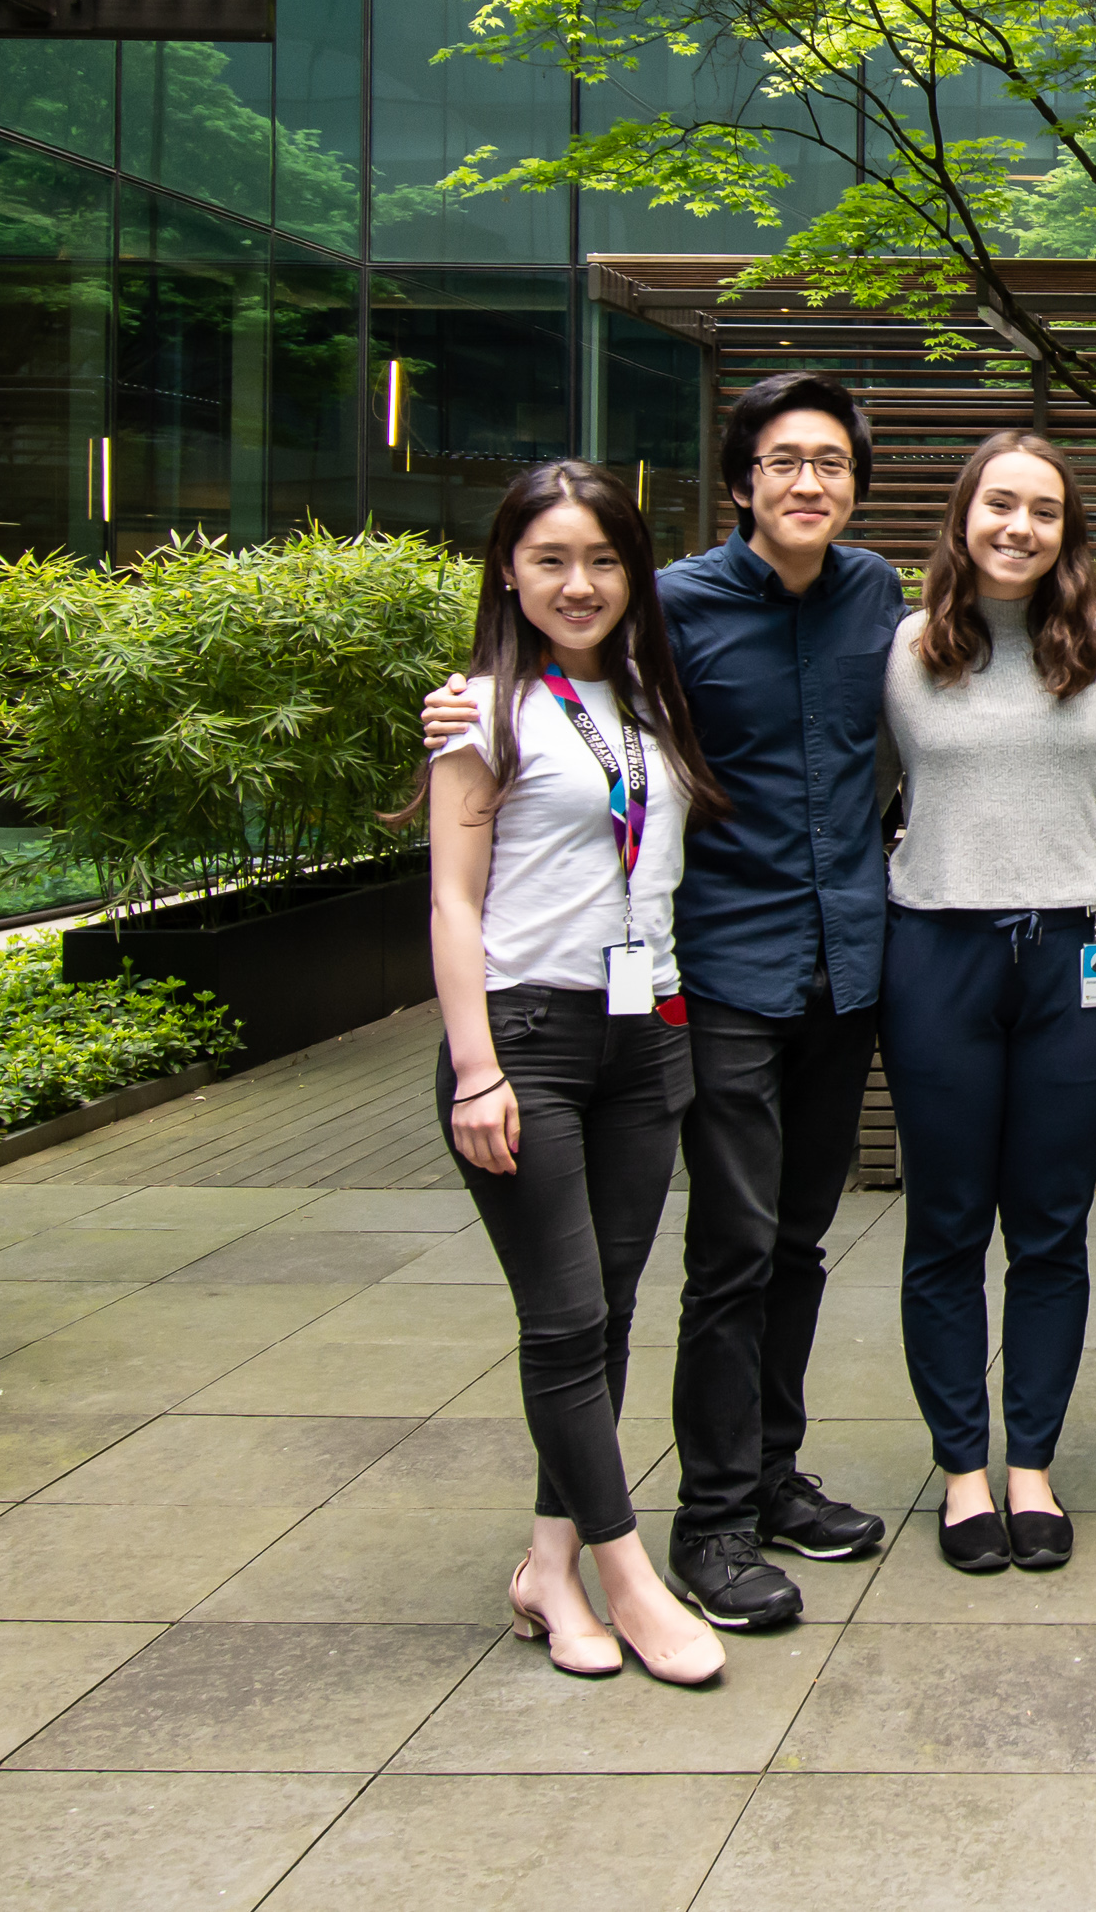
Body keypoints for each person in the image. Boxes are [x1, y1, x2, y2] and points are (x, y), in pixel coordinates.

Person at [422, 371, 897, 1633]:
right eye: (785, 462)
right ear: (742, 481)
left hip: (846, 969)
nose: (810, 484)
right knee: (731, 1252)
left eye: (833, 464)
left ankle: (775, 1472)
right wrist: (462, 698)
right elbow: (551, 681)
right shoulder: (669, 607)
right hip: (717, 976)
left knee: (800, 1241)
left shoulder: (876, 595)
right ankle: (714, 1521)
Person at [421, 460, 729, 1689]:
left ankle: (545, 1570)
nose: (579, 583)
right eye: (551, 559)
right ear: (509, 570)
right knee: (561, 1323)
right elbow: (449, 900)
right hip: (524, 1044)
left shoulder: (651, 698)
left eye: (602, 560)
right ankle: (626, 1572)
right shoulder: (481, 710)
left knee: (607, 1316)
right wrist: (474, 1070)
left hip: (645, 1033)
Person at [881, 430, 1096, 1574]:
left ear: (1067, 534)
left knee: (1050, 1225)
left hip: (1078, 960)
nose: (1019, 528)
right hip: (936, 953)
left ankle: (1032, 1464)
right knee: (946, 1225)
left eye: (1044, 512)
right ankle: (961, 1473)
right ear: (963, 515)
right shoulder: (900, 650)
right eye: (1000, 504)